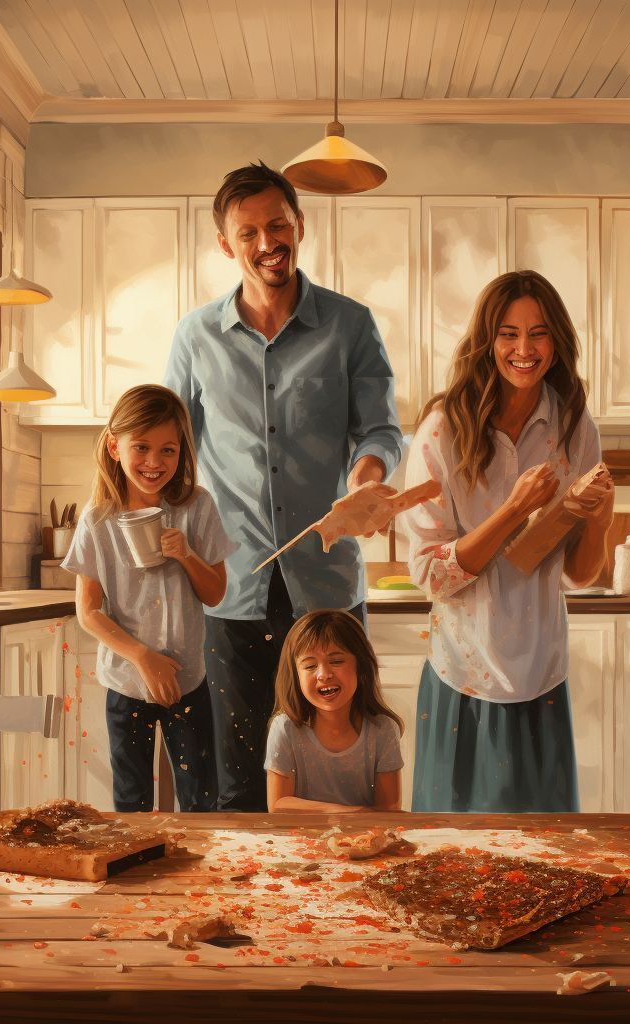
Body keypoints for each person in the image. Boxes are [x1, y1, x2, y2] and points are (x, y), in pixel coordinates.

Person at [163, 161, 404, 811]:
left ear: (300, 224)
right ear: (225, 244)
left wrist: (367, 477)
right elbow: (170, 450)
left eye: (278, 225)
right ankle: (249, 907)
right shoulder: (195, 337)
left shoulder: (350, 327)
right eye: (248, 233)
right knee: (237, 780)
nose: (267, 242)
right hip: (230, 592)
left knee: (343, 772)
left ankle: (336, 910)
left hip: (327, 586)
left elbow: (381, 431)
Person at [401, 270, 614, 814]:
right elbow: (431, 576)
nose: (525, 349)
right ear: (486, 340)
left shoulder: (574, 427)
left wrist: (601, 520)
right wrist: (514, 509)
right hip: (464, 676)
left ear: (557, 341)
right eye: (508, 333)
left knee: (547, 858)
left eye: (539, 333)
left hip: (543, 673)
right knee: (455, 858)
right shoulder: (442, 431)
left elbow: (579, 573)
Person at [62, 384, 229, 813]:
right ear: (114, 447)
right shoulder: (97, 521)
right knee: (131, 802)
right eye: (142, 447)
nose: (154, 462)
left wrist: (188, 554)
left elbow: (215, 593)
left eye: (168, 450)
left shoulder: (198, 507)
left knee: (200, 801)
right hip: (126, 683)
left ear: (182, 452)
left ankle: (198, 876)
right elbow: (88, 612)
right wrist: (143, 657)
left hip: (187, 680)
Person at [265, 609, 404, 813]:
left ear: (361, 668)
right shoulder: (286, 727)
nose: (324, 674)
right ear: (295, 676)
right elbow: (278, 805)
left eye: (336, 661)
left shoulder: (382, 729)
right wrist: (347, 813)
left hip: (365, 839)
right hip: (301, 839)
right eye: (310, 666)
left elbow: (389, 810)